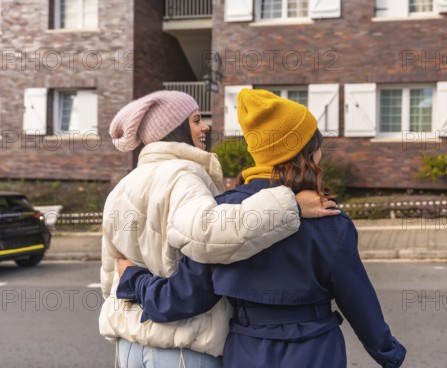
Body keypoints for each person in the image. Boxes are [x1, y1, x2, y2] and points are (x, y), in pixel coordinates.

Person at [116, 89, 407, 367]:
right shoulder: (329, 217)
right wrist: (389, 354)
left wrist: (133, 278)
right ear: (309, 153)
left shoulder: (223, 214)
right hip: (316, 349)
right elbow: (359, 301)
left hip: (246, 350)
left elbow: (183, 297)